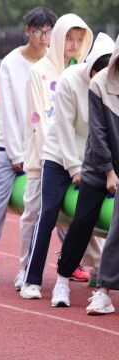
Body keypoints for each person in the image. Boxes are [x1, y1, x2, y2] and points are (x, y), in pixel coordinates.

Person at [0, 7, 57, 288]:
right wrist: (16, 155)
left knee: (56, 202)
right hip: (11, 148)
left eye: (48, 31)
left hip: (46, 147)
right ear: (28, 31)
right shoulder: (10, 63)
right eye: (38, 31)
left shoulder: (54, 61)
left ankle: (70, 259)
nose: (43, 37)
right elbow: (8, 112)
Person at [20, 14, 93, 299]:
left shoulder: (90, 72)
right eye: (68, 39)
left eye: (79, 39)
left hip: (81, 157)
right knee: (44, 212)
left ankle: (96, 272)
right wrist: (69, 161)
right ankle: (29, 277)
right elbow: (46, 121)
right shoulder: (41, 71)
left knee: (86, 216)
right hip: (51, 154)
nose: (73, 45)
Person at [40, 33, 114, 307]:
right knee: (83, 221)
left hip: (112, 162)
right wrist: (82, 169)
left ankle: (104, 283)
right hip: (95, 163)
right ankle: (62, 280)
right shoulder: (83, 85)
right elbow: (94, 133)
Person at [83, 34, 119, 316]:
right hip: (104, 166)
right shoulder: (100, 84)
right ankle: (104, 292)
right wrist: (109, 172)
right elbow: (98, 134)